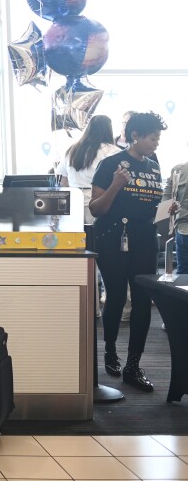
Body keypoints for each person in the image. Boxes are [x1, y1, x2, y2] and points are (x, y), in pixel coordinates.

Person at [90, 111, 177, 392]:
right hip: (113, 238)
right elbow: (96, 208)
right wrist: (116, 185)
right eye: (153, 137)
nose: (156, 143)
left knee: (142, 300)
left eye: (158, 138)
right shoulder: (111, 164)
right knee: (116, 296)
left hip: (143, 240)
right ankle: (110, 350)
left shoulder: (153, 166)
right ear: (136, 136)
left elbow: (149, 209)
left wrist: (166, 211)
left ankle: (133, 366)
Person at [56, 115, 121, 224]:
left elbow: (62, 180)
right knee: (94, 237)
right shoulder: (113, 151)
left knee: (75, 238)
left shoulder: (72, 149)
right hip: (97, 201)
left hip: (72, 201)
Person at [164, 154, 188, 274]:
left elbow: (165, 203)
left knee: (183, 276)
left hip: (184, 230)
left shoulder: (178, 169)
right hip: (183, 230)